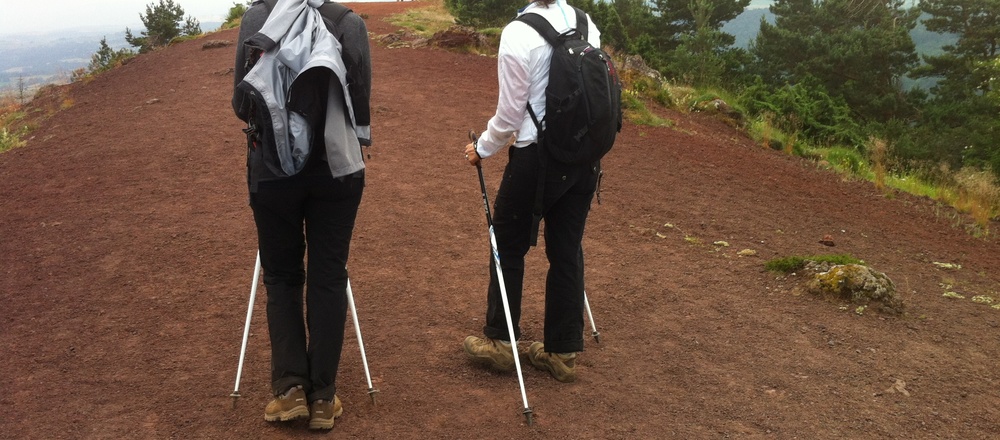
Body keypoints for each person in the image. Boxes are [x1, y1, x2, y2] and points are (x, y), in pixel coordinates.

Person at [231, 0, 371, 430]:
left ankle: (290, 388)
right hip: (337, 172)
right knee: (328, 276)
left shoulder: (256, 20)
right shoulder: (350, 23)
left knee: (281, 275)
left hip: (272, 173)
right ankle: (324, 399)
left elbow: (241, 102)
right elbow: (360, 103)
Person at [462, 0, 602, 383]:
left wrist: (483, 149)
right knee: (567, 248)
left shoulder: (517, 34)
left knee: (506, 243)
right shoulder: (584, 22)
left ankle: (501, 343)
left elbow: (509, 116)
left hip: (536, 158)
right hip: (584, 156)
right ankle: (562, 351)